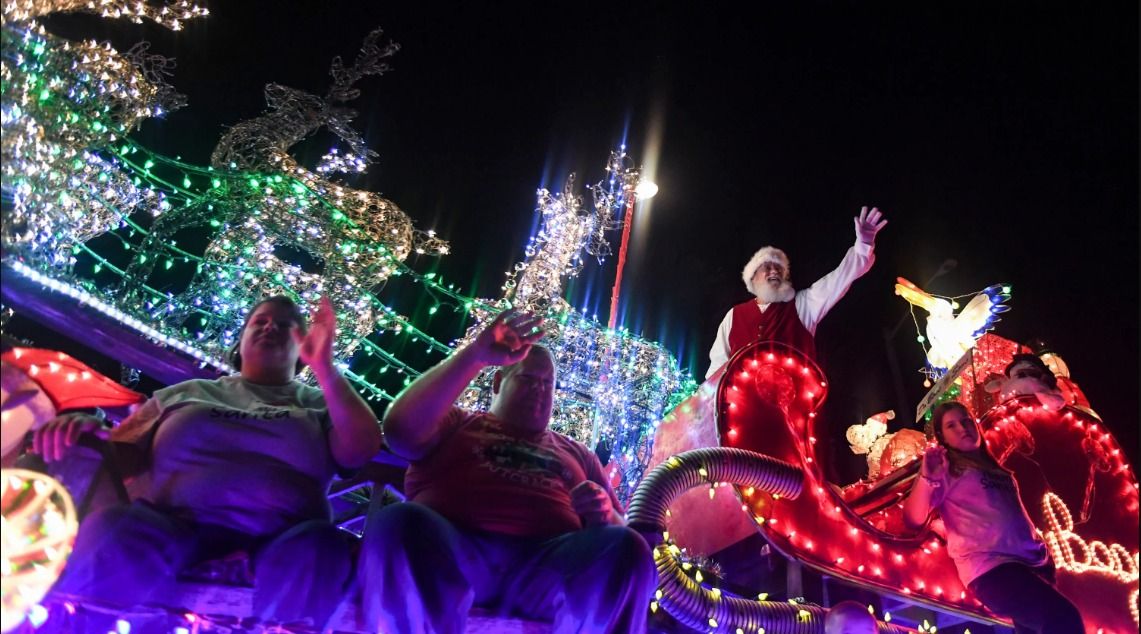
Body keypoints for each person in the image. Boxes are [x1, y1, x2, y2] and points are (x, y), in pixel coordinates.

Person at [31, 296, 381, 627]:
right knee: (117, 529)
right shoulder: (187, 393)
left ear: (302, 346)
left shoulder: (320, 401)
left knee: (322, 547)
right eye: (260, 321)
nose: (270, 328)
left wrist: (325, 368)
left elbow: (362, 448)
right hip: (170, 524)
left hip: (286, 538)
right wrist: (86, 430)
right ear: (240, 339)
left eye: (286, 325)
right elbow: (121, 458)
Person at [359, 309, 655, 634]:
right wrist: (475, 356)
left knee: (629, 549)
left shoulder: (577, 453)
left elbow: (620, 524)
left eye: (549, 384)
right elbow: (400, 429)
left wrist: (602, 514)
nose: (541, 389)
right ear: (499, 381)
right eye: (529, 379)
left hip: (546, 567)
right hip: (455, 552)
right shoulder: (460, 422)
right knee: (398, 522)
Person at [903, 401, 1083, 634]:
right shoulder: (946, 467)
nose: (962, 428)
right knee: (1065, 617)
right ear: (942, 437)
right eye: (951, 425)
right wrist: (927, 477)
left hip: (1034, 565)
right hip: (993, 569)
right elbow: (912, 519)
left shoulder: (998, 470)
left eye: (966, 420)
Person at [706, 206, 887, 378]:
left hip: (791, 408)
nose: (775, 271)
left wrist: (863, 246)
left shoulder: (802, 305)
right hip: (740, 409)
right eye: (767, 267)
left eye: (779, 268)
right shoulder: (734, 316)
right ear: (752, 277)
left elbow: (839, 278)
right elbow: (715, 372)